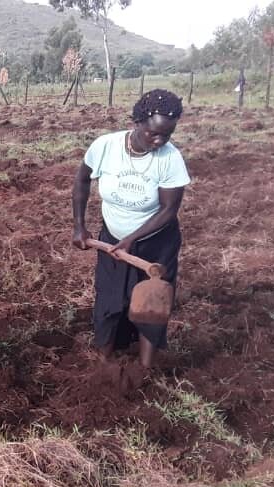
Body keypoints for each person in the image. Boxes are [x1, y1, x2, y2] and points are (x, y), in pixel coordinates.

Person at [72, 89, 190, 369]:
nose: (160, 140)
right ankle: (105, 362)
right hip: (113, 239)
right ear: (137, 122)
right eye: (153, 134)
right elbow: (81, 180)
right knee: (110, 300)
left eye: (167, 135)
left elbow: (168, 210)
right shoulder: (106, 146)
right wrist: (79, 226)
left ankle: (146, 369)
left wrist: (132, 238)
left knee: (153, 304)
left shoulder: (170, 158)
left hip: (156, 243)